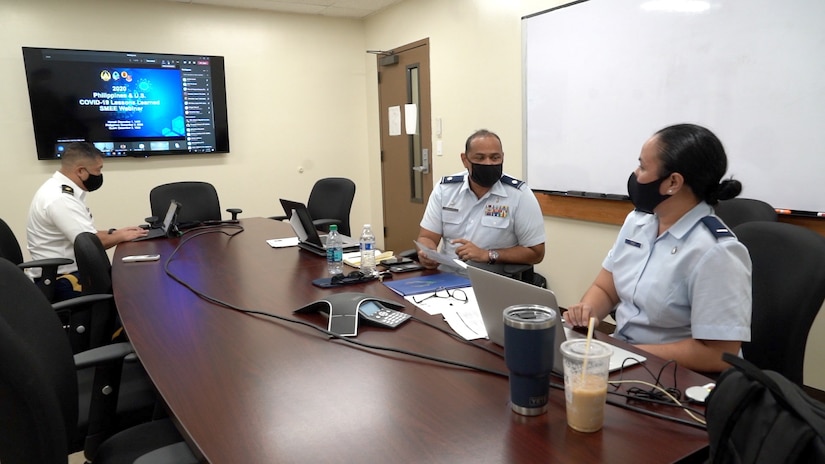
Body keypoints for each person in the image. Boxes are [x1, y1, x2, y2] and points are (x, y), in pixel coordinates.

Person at [563, 123, 752, 373]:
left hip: (671, 376)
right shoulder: (638, 222)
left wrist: (628, 354)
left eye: (642, 166)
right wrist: (588, 315)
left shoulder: (717, 251)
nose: (635, 174)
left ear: (672, 182)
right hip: (622, 359)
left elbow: (719, 354)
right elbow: (605, 289)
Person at [27, 142, 148, 301]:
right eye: (98, 170)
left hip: (68, 273)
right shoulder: (60, 199)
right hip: (63, 281)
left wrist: (116, 232)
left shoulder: (59, 189)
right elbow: (89, 244)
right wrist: (122, 237)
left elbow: (87, 235)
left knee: (133, 282)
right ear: (81, 171)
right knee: (132, 297)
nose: (99, 174)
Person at [417, 129, 546, 270]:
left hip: (492, 282)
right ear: (465, 160)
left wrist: (488, 255)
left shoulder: (519, 195)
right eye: (480, 158)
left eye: (495, 157)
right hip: (447, 277)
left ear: (503, 157)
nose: (488, 163)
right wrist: (427, 253)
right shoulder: (445, 190)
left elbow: (536, 253)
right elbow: (427, 237)